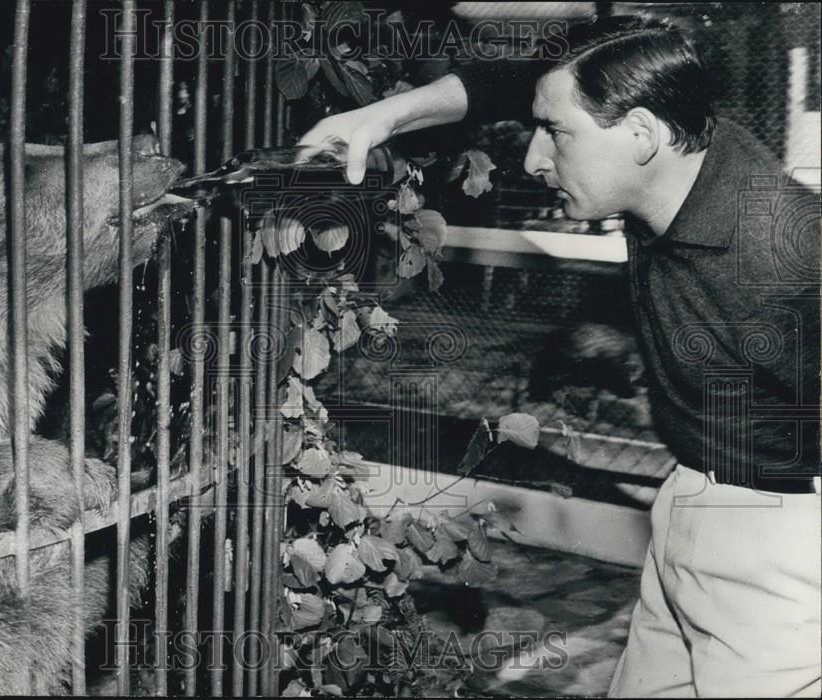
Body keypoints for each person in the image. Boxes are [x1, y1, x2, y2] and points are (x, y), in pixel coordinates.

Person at [299, 15, 821, 698]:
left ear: (640, 133)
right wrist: (382, 117)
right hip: (692, 489)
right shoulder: (678, 158)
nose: (533, 159)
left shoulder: (784, 254)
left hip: (776, 541)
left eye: (557, 135)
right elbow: (513, 84)